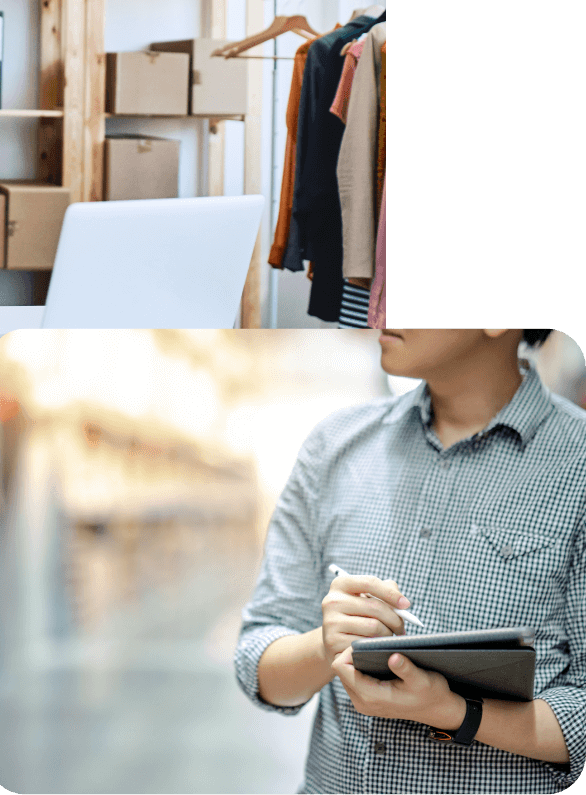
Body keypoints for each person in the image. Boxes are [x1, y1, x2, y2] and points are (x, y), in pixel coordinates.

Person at [234, 329, 585, 794]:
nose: (379, 308)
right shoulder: (335, 447)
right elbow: (258, 658)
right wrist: (325, 645)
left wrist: (455, 712)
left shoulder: (576, 465)